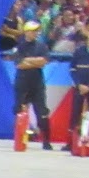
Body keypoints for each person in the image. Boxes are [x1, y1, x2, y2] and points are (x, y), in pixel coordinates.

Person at [8, 19, 53, 149]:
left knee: (42, 111)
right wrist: (34, 62)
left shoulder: (42, 46)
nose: (35, 33)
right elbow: (19, 64)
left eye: (36, 31)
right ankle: (20, 139)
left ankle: (46, 141)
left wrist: (28, 60)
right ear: (26, 32)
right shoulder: (19, 47)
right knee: (19, 110)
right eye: (32, 31)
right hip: (22, 83)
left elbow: (43, 61)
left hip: (37, 83)